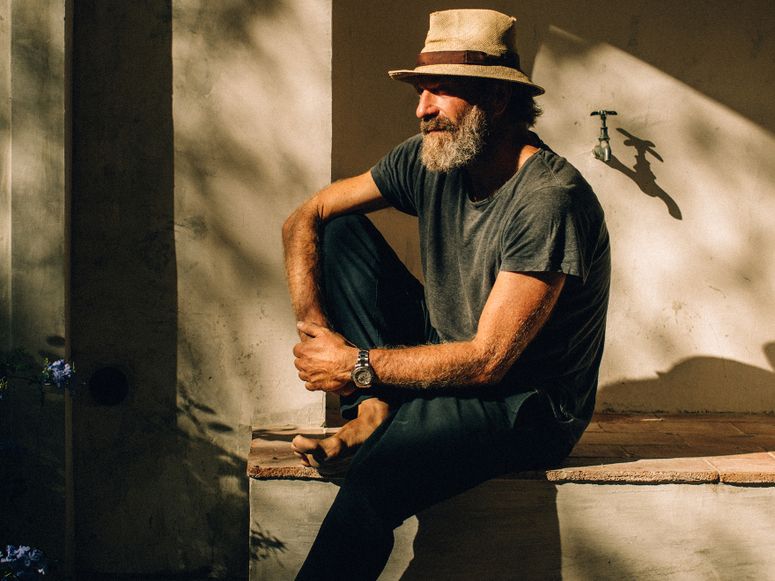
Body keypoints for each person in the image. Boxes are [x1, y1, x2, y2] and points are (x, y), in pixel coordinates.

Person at [282, 8, 610, 580]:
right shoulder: (431, 158)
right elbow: (305, 216)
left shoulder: (549, 198)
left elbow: (488, 362)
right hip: (448, 362)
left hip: (524, 404)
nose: (421, 109)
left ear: (498, 101)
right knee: (337, 232)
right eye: (419, 89)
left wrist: (356, 365)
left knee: (370, 486)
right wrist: (319, 335)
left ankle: (381, 418)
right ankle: (378, 410)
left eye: (440, 91)